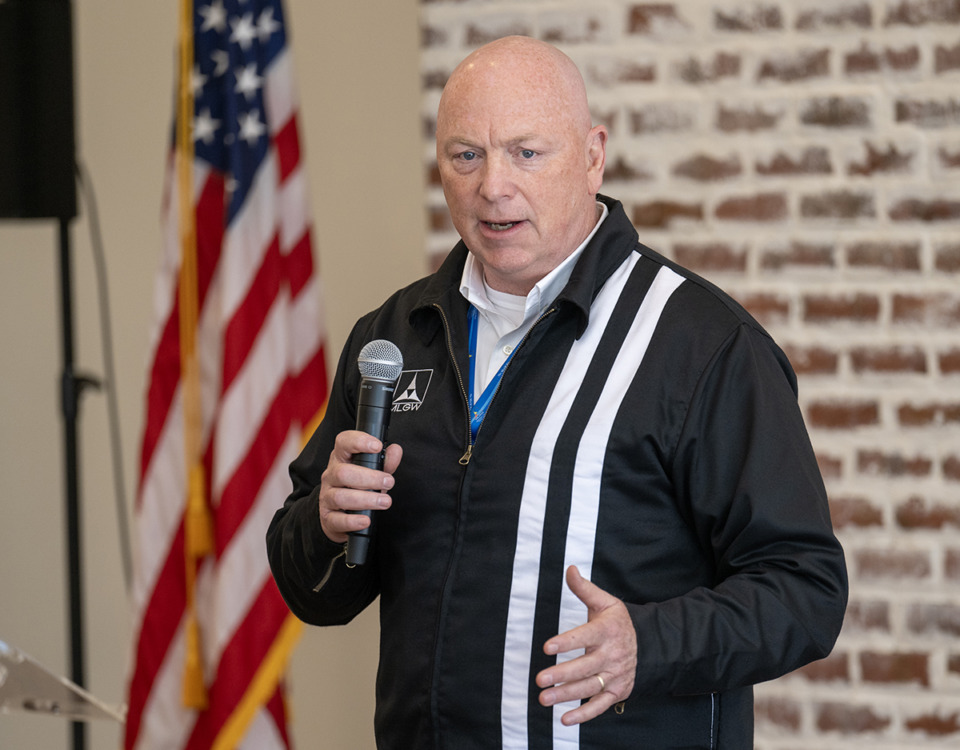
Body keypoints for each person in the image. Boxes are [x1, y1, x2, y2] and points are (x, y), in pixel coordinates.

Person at [267, 36, 847, 749]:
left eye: (526, 152)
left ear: (593, 153)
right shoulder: (392, 337)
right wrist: (324, 525)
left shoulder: (702, 345)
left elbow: (806, 589)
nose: (493, 187)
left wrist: (651, 642)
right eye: (465, 156)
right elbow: (313, 595)